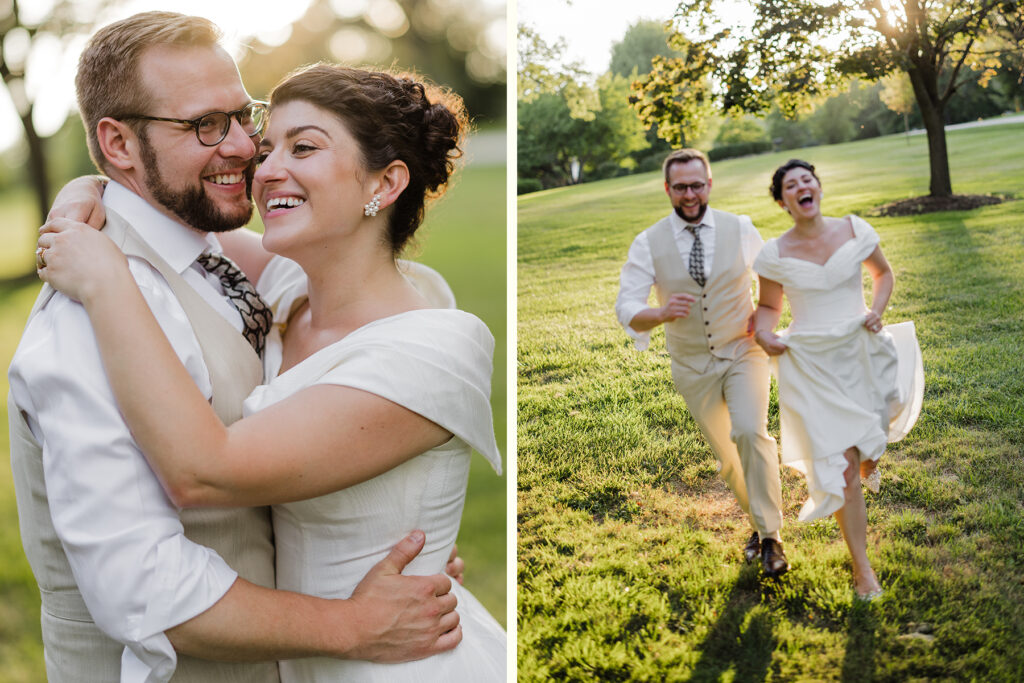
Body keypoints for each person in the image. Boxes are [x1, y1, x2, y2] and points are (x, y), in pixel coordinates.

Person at [9, 12, 466, 682]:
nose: (245, 149)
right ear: (119, 143)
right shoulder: (85, 314)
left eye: (241, 115)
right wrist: (355, 623)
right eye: (203, 126)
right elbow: (147, 586)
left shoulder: (235, 264)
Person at [751, 159, 923, 600]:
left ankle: (871, 458)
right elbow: (768, 307)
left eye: (807, 179)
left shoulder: (853, 229)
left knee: (872, 439)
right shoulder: (774, 253)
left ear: (818, 188)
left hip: (862, 350)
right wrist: (766, 332)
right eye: (791, 185)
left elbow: (882, 274)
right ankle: (863, 571)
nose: (802, 187)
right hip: (813, 363)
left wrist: (877, 309)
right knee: (843, 468)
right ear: (783, 201)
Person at [615, 149, 788, 577]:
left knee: (751, 433)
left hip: (743, 351)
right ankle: (758, 525)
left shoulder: (741, 228)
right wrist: (659, 313)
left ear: (709, 184)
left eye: (697, 185)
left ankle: (771, 539)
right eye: (680, 187)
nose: (689, 195)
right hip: (692, 365)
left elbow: (773, 275)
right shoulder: (648, 241)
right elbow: (627, 306)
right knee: (729, 458)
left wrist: (765, 314)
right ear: (667, 189)